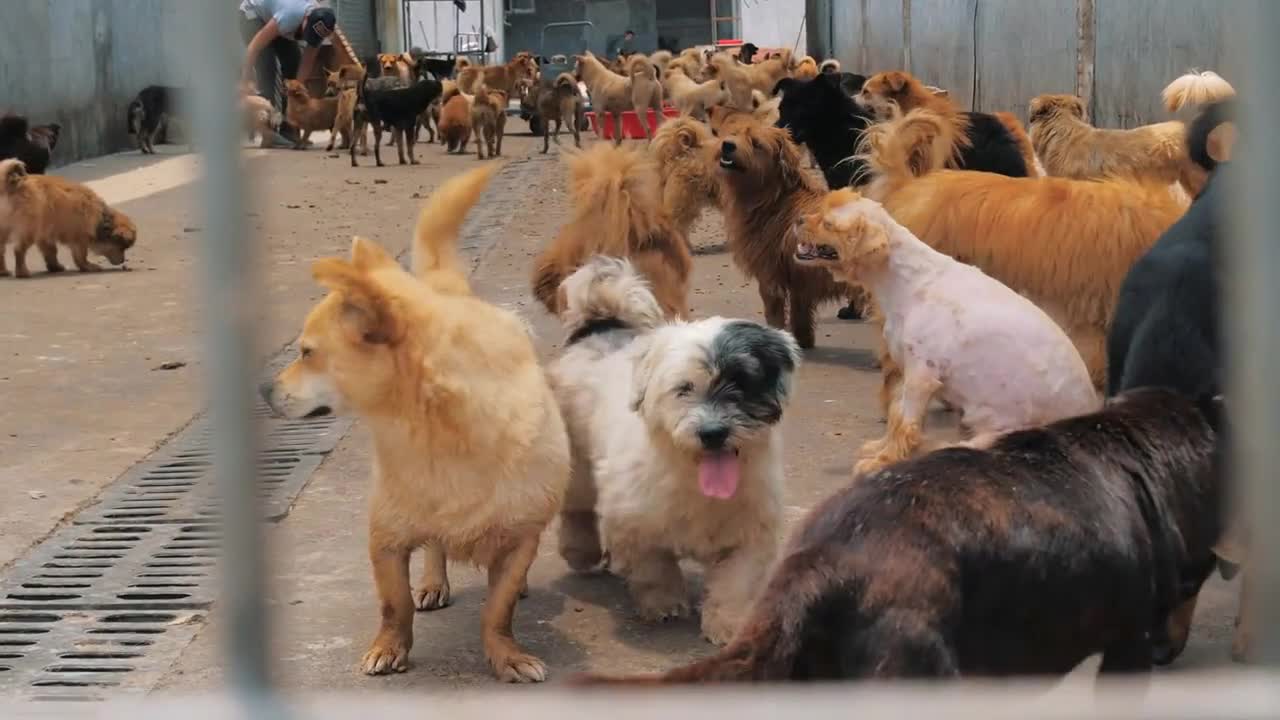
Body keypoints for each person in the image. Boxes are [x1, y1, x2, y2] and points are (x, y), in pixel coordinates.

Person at [239, 0, 337, 144]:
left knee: (293, 63)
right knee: (266, 66)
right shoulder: (290, 15)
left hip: (277, 18)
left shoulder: (319, 28)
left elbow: (307, 62)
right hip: (252, 14)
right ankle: (269, 134)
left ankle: (290, 128)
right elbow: (254, 47)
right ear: (305, 19)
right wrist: (246, 80)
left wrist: (297, 89)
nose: (306, 37)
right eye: (306, 32)